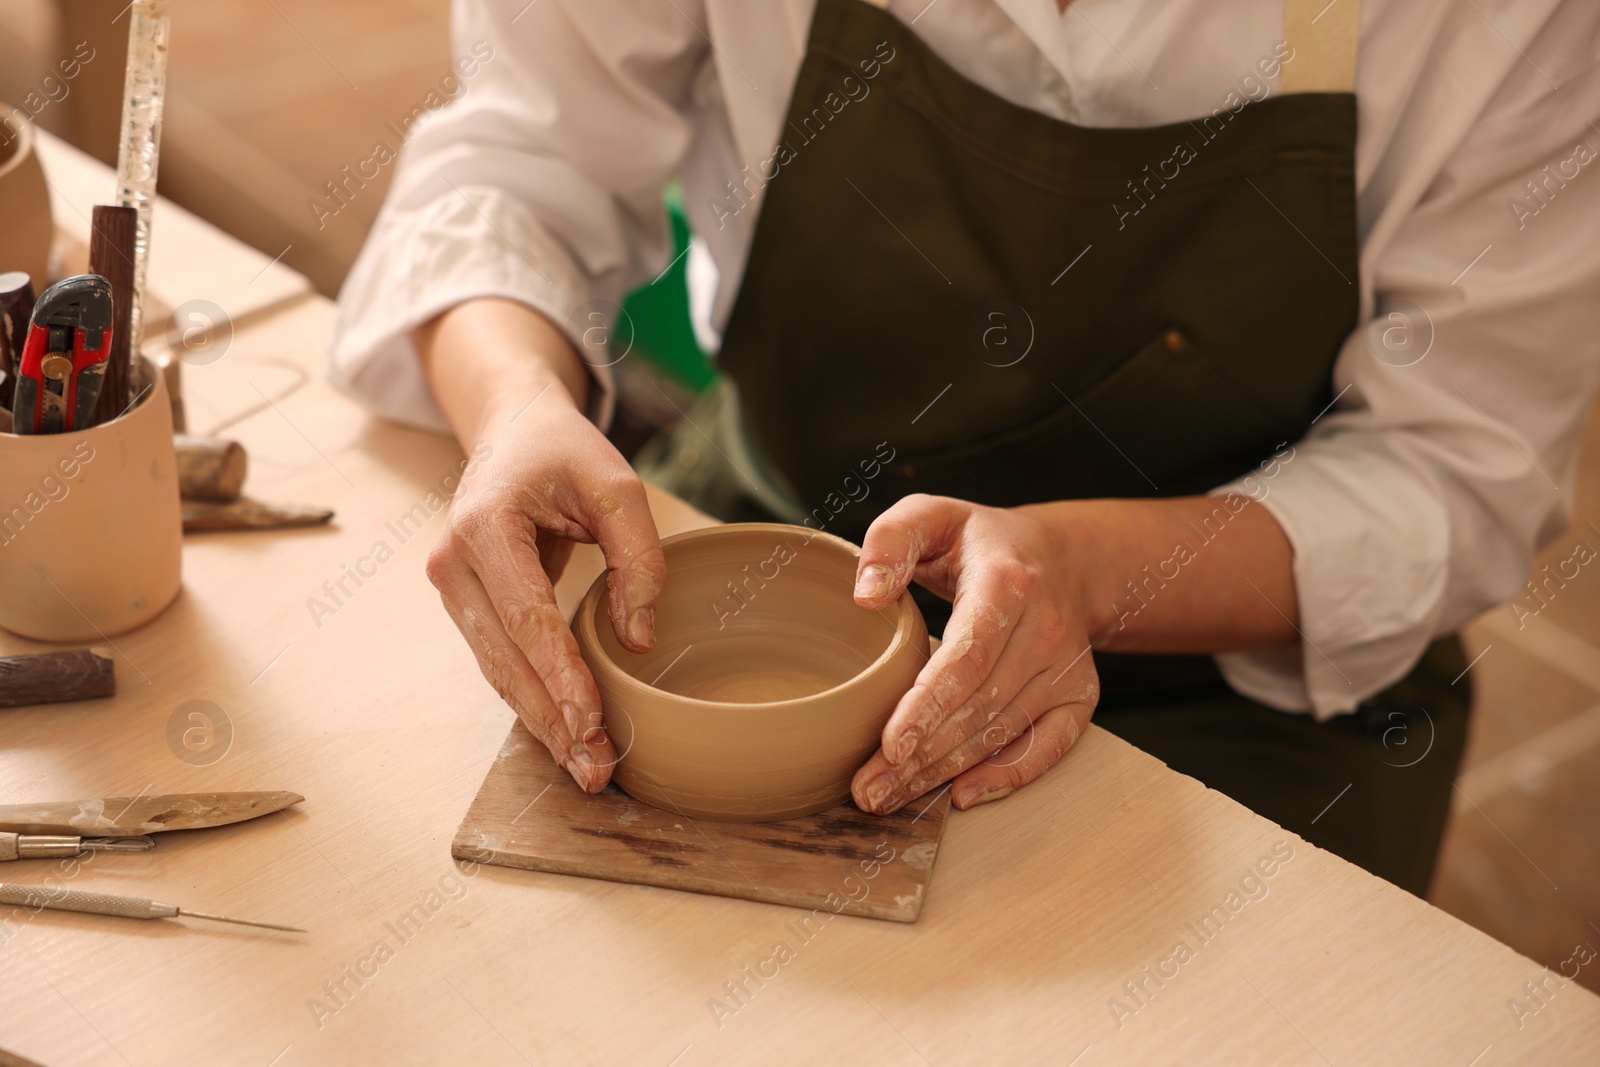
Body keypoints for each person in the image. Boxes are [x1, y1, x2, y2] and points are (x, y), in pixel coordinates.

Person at [333, 0, 1600, 896]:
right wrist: (512, 407)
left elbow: (1456, 467)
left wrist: (1088, 572)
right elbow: (517, 157)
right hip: (777, 530)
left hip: (1245, 689)